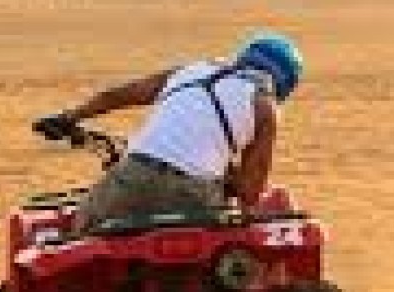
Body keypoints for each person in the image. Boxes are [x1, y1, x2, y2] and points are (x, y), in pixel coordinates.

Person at [33, 33, 304, 234]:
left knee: (81, 233)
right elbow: (250, 194)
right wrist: (228, 177)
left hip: (132, 178)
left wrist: (69, 118)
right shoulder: (265, 108)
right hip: (195, 196)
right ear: (284, 85)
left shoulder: (191, 70)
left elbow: (118, 95)